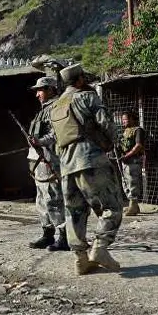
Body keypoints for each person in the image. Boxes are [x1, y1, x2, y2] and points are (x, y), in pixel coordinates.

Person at [51, 63, 123, 275]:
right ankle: (100, 248)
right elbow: (106, 124)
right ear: (80, 79)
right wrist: (113, 142)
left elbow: (57, 140)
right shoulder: (87, 97)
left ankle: (81, 259)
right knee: (112, 207)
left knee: (74, 212)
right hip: (90, 160)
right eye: (84, 77)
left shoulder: (55, 106)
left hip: (66, 164)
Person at [26, 76, 69, 252]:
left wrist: (40, 142)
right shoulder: (43, 110)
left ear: (51, 90)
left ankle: (64, 237)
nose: (37, 94)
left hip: (51, 160)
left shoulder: (57, 108)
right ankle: (47, 233)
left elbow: (56, 134)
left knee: (54, 200)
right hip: (38, 162)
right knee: (41, 200)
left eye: (40, 90)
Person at [117, 111, 146, 216]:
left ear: (133, 119)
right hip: (125, 161)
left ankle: (133, 205)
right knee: (126, 182)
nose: (123, 121)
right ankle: (133, 205)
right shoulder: (125, 131)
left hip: (133, 160)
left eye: (126, 119)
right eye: (123, 119)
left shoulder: (138, 130)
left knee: (133, 182)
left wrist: (127, 155)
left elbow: (138, 146)